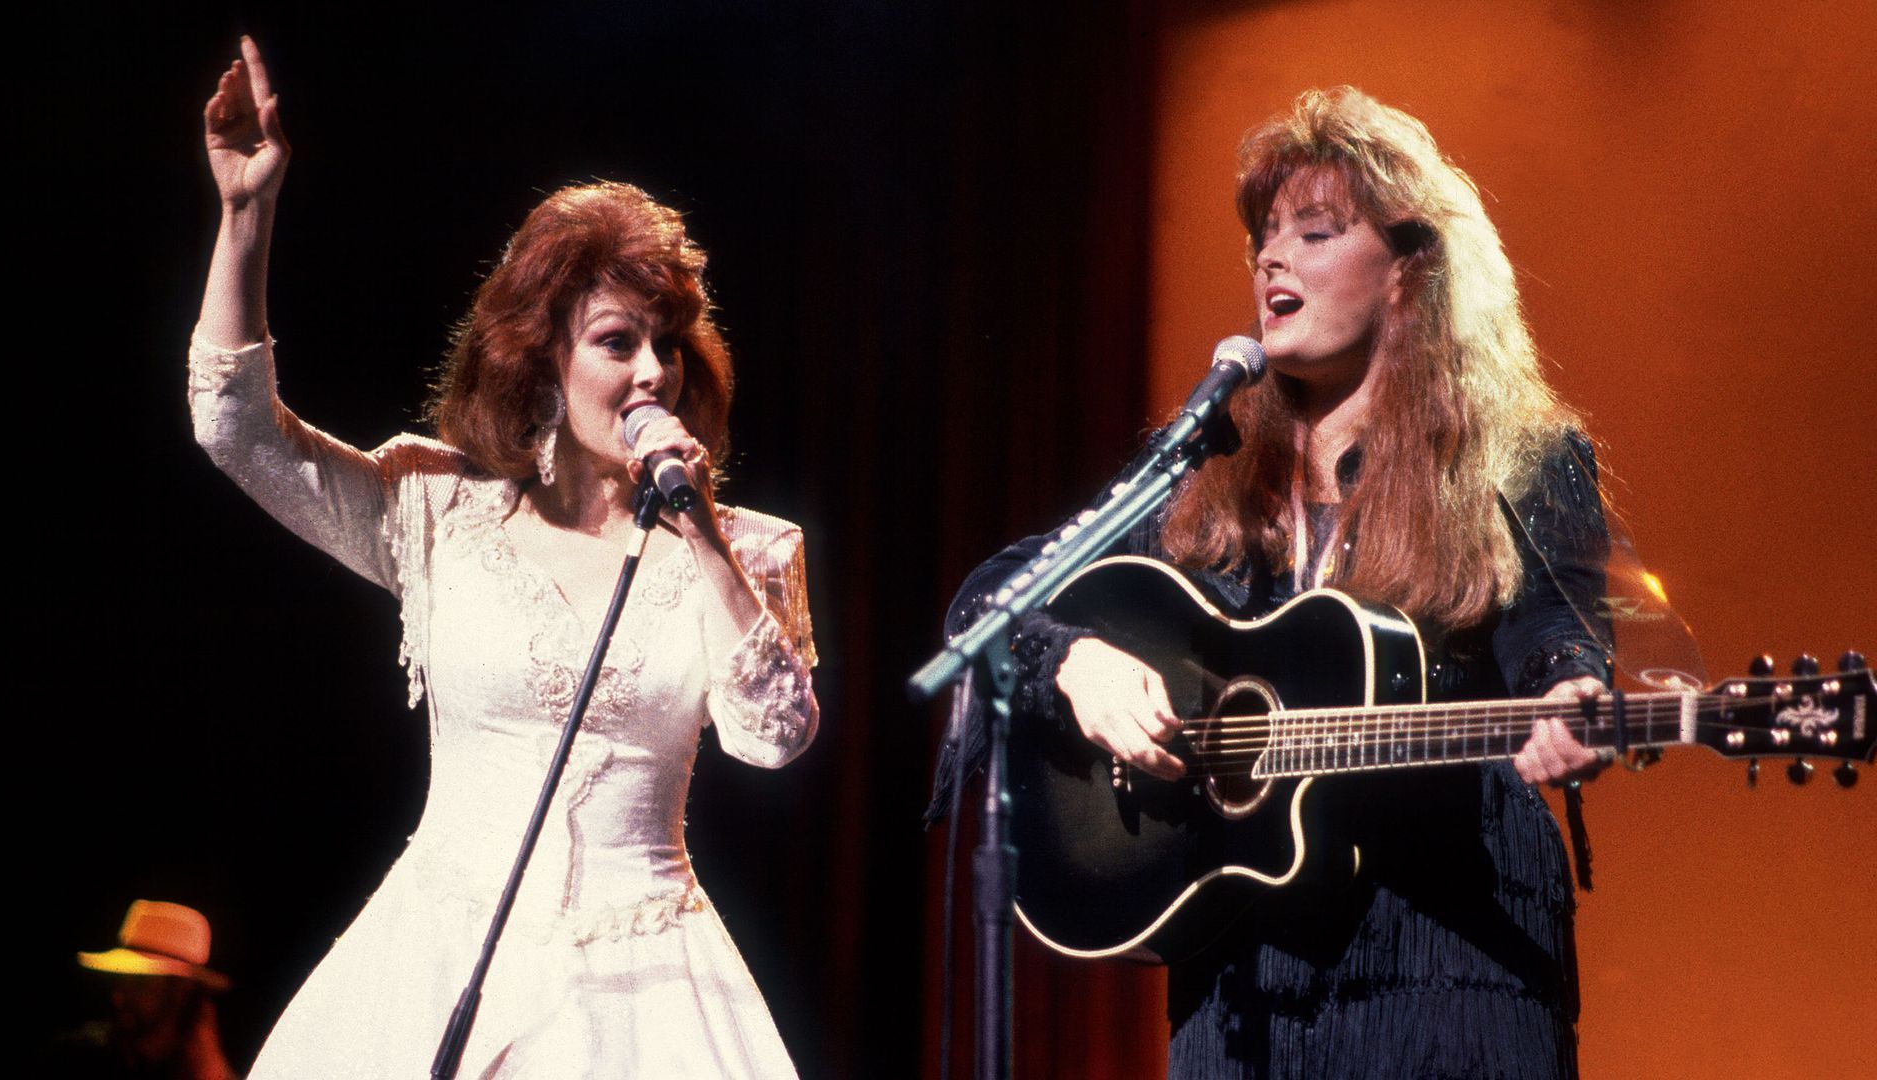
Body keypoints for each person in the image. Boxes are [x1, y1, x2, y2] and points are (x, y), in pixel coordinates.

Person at [940, 88, 1613, 1078]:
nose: (1270, 258)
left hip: (1452, 955)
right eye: (1264, 236)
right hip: (1244, 981)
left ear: (1408, 270)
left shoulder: (1518, 459)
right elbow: (994, 600)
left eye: (1315, 232)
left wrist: (1572, 692)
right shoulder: (1210, 479)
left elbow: (1556, 630)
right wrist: (1076, 662)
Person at [189, 38, 818, 1078]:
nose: (653, 371)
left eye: (668, 342)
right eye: (617, 341)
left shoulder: (748, 550)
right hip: (437, 957)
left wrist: (702, 534)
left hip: (644, 995)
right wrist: (245, 215)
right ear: (544, 359)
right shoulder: (438, 513)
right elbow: (237, 430)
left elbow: (775, 737)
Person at [45, 900, 240, 1080]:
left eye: (139, 982)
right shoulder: (76, 1059)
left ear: (180, 990)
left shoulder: (207, 1071)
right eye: (119, 979)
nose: (118, 997)